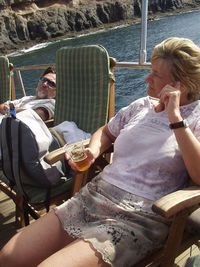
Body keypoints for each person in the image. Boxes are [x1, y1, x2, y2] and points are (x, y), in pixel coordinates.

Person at [1, 36, 200, 267]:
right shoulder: (141, 106)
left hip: (137, 217)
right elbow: (106, 132)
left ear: (180, 85)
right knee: (8, 258)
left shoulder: (195, 118)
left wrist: (175, 119)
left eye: (155, 74)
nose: (147, 78)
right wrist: (93, 150)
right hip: (95, 195)